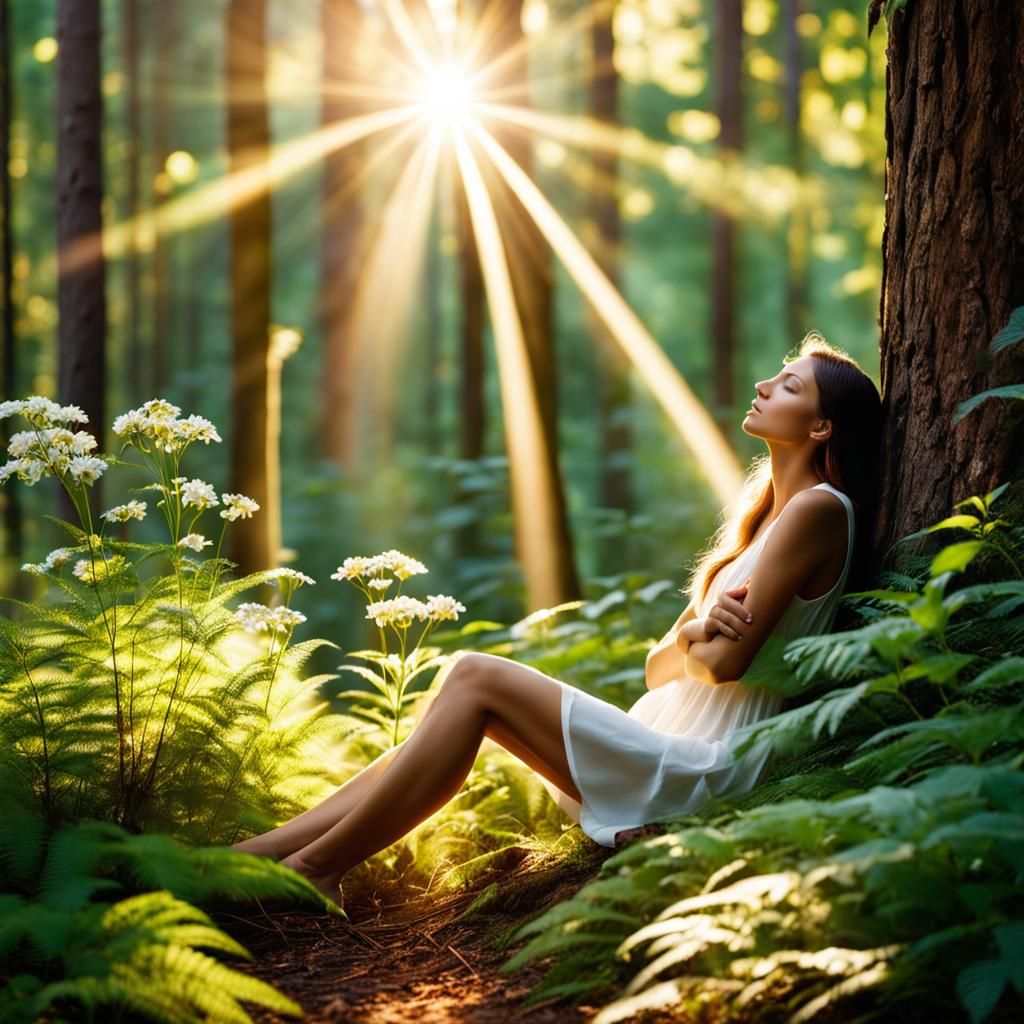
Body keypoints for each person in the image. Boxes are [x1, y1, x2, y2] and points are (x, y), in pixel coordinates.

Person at [230, 332, 883, 907]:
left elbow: (724, 666)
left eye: (789, 385)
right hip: (657, 744)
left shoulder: (819, 510)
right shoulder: (758, 523)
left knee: (473, 676)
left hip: (707, 770)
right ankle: (256, 858)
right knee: (459, 702)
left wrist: (699, 644)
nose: (764, 385)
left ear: (821, 427)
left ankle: (314, 869)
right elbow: (658, 669)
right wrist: (694, 634)